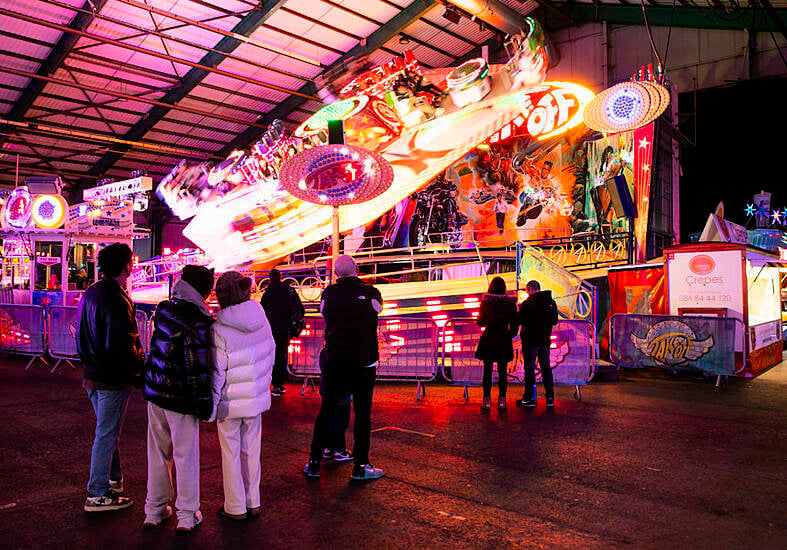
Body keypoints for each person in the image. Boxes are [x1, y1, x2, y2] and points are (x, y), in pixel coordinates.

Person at [142, 265, 215, 531]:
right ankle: (187, 514)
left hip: (156, 392)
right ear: (203, 291)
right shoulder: (199, 321)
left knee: (158, 452)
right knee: (185, 455)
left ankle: (154, 509)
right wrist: (203, 404)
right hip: (181, 398)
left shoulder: (164, 309)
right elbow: (196, 366)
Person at [77, 243, 145, 513]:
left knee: (109, 431)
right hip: (112, 377)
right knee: (106, 433)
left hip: (92, 373)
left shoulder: (92, 293)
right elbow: (121, 343)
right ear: (126, 265)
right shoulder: (117, 299)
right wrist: (138, 368)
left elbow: (82, 332)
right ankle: (97, 492)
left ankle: (113, 480)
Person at [304, 255, 384, 481]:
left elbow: (323, 313)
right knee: (362, 413)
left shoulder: (328, 294)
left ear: (337, 273)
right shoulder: (371, 292)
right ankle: (361, 466)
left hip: (334, 359)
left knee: (326, 410)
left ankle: (314, 463)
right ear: (357, 269)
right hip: (363, 359)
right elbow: (378, 311)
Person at [210, 271, 275, 521]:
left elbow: (218, 370)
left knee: (231, 453)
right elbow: (271, 351)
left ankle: (235, 506)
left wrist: (212, 405)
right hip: (255, 398)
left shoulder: (218, 327)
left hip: (229, 402)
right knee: (252, 451)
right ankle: (253, 501)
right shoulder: (262, 318)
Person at [474, 277, 518, 411]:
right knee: (502, 371)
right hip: (503, 338)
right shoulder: (510, 304)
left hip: (489, 337)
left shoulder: (486, 303)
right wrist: (509, 334)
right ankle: (502, 400)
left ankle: (486, 400)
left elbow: (481, 322)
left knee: (487, 370)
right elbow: (515, 323)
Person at [261, 268, 304, 397]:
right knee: (282, 355)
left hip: (270, 329)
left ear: (269, 278)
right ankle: (279, 384)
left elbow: (262, 310)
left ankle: (272, 384)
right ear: (280, 277)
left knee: (272, 356)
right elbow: (300, 308)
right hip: (285, 328)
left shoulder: (268, 293)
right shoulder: (289, 290)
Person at [516, 280, 559, 408]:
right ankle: (550, 397)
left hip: (530, 340)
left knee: (529, 369)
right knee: (546, 368)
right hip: (545, 340)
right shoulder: (550, 302)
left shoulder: (527, 304)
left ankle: (529, 398)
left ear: (529, 289)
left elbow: (521, 320)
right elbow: (554, 321)